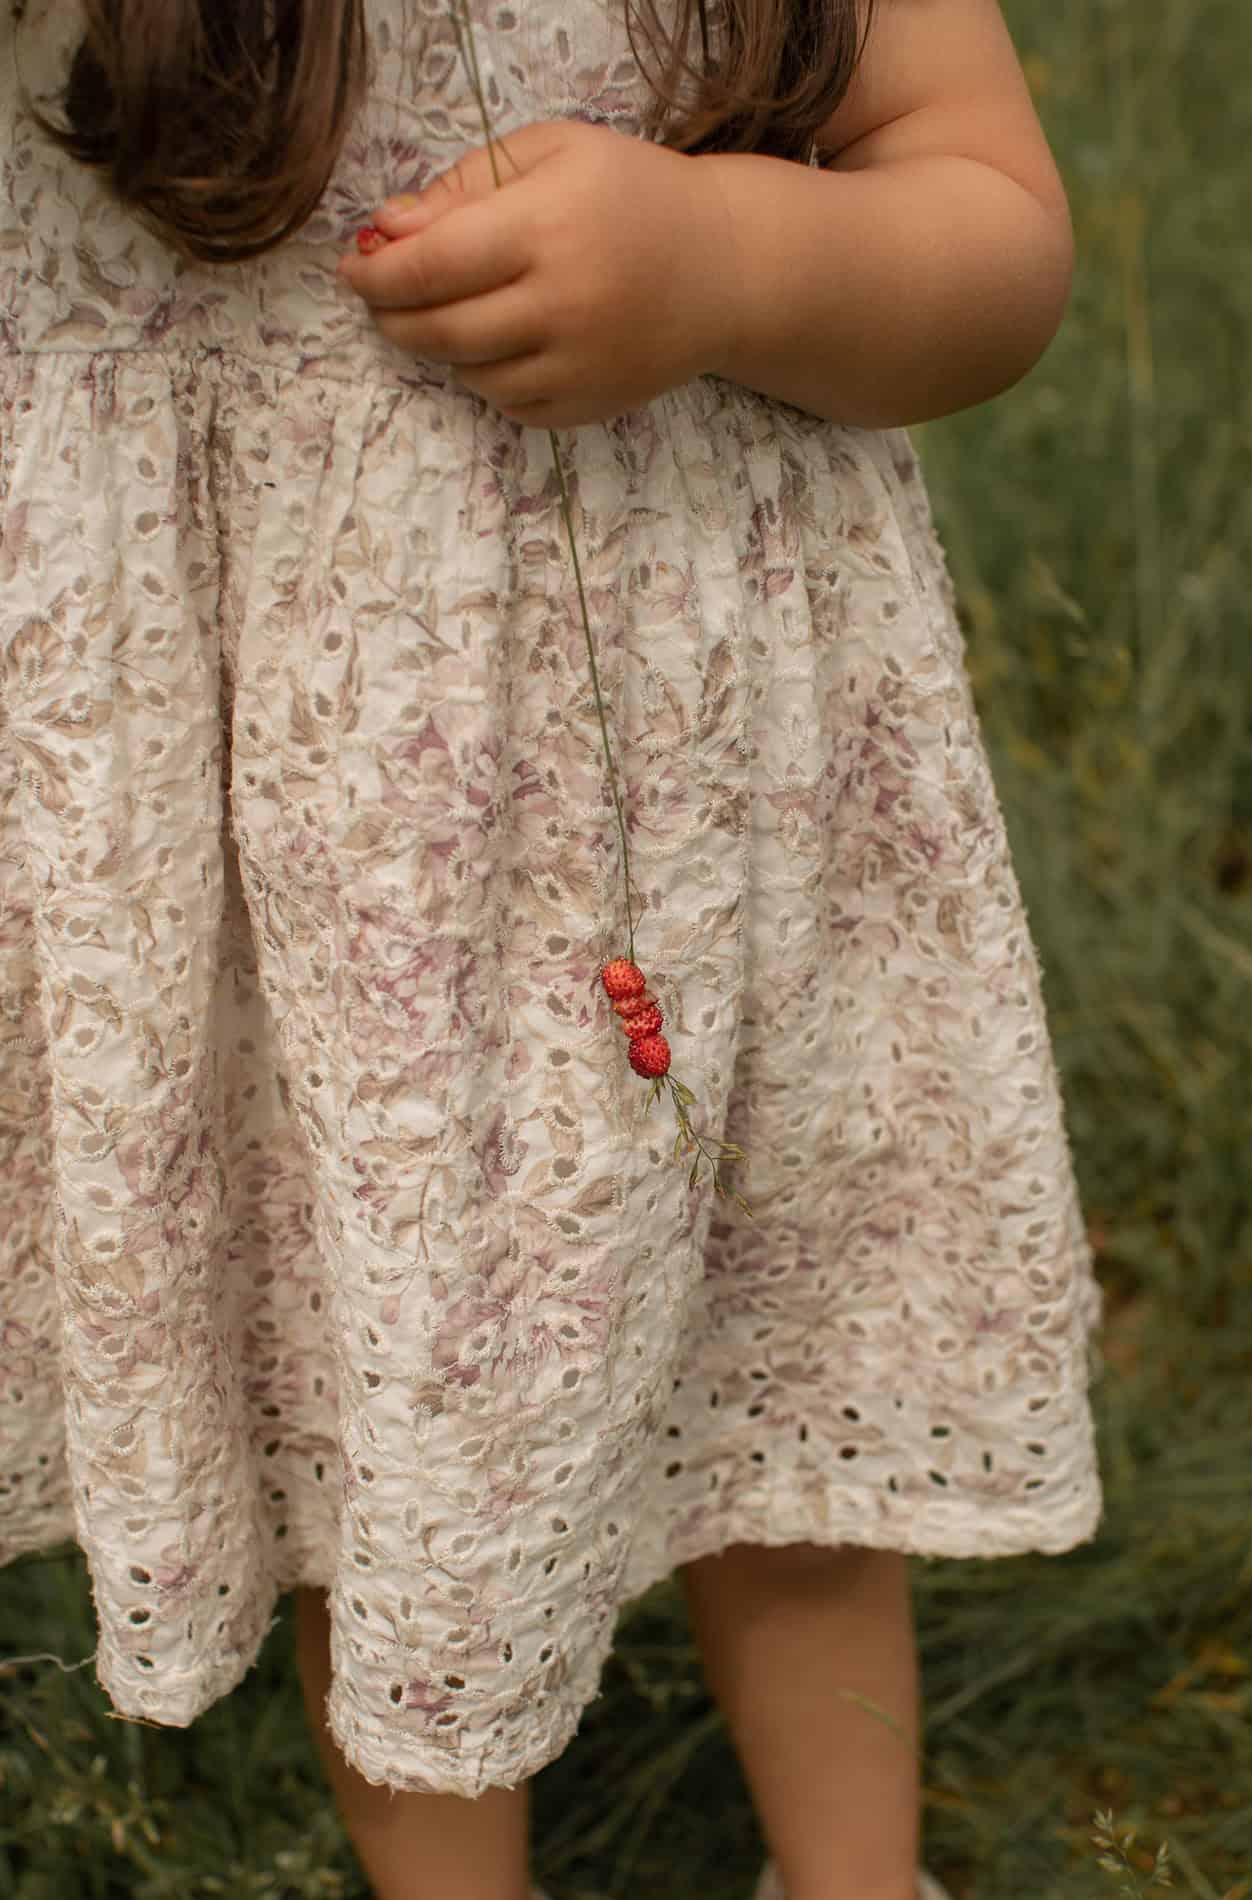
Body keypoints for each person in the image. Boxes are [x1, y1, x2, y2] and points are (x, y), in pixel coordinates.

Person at [0, 1, 1102, 1896]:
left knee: (777, 1330)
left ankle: (854, 1879)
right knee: (382, 1385)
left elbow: (989, 229)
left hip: (713, 829)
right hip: (290, 847)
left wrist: (736, 256)